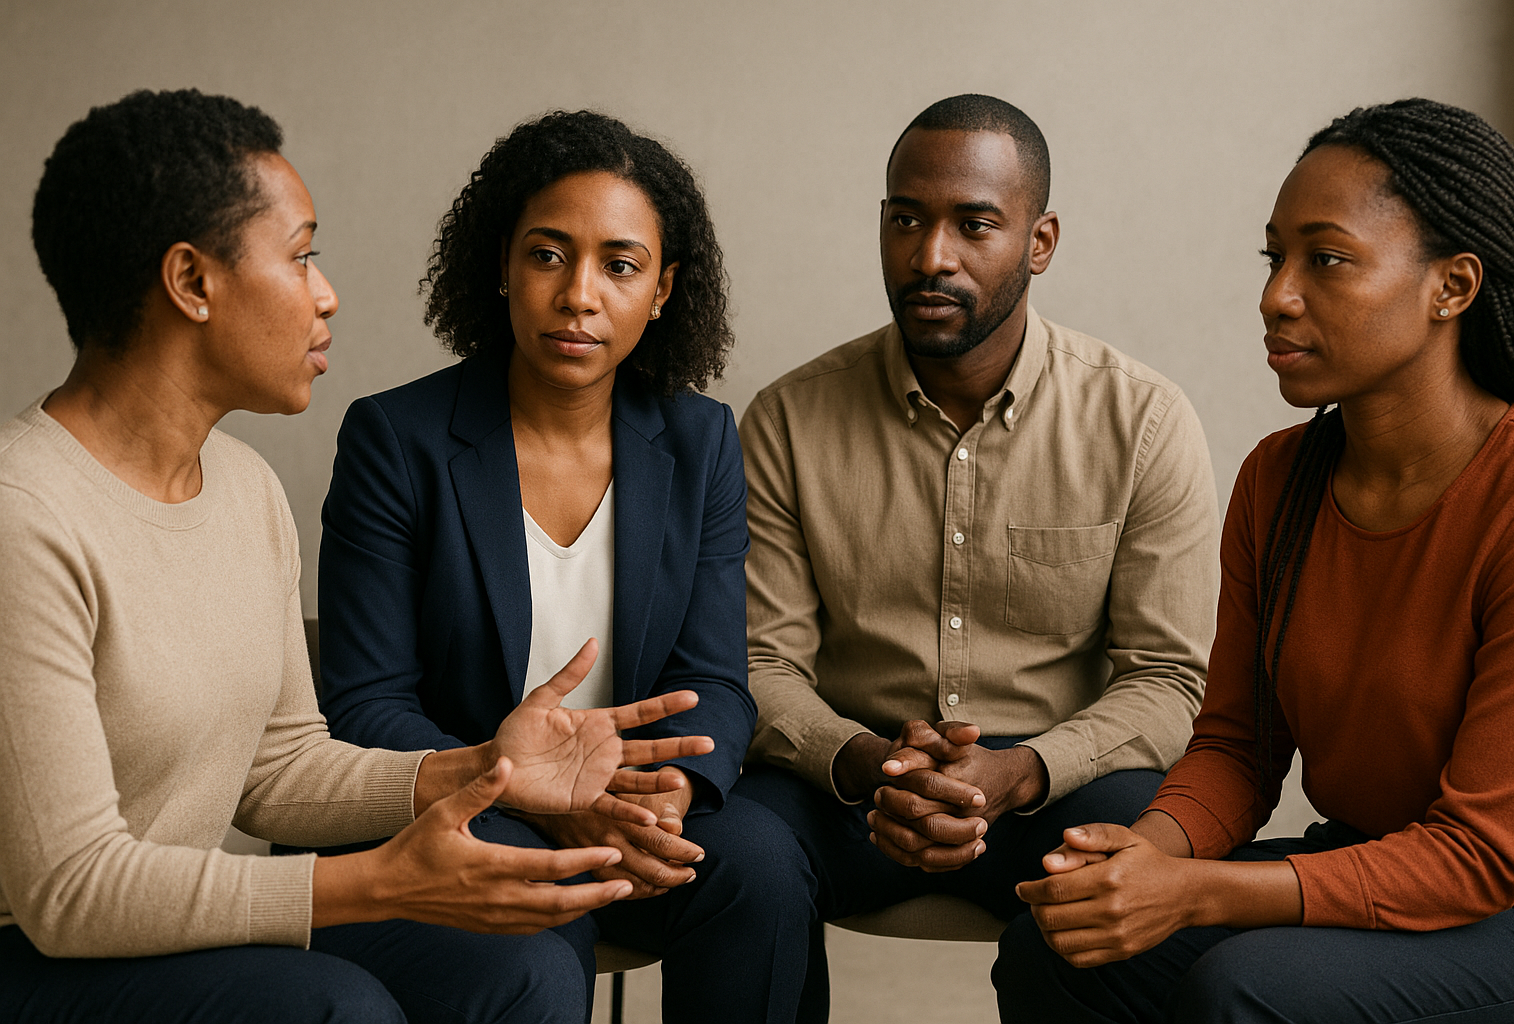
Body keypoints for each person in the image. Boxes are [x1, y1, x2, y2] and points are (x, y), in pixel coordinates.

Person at [0, 88, 716, 1024]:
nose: (327, 292)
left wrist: (481, 767)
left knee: (519, 971)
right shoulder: (24, 517)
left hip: (162, 925)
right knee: (336, 1008)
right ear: (192, 281)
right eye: (300, 257)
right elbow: (70, 893)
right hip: (31, 949)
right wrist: (383, 883)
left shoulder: (245, 486)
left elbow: (279, 769)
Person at [1007, 98, 1514, 1024]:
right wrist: (1147, 857)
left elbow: (1477, 857)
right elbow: (1239, 749)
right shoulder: (1278, 479)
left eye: (1325, 260)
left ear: (1452, 286)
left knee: (1245, 989)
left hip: (1510, 905)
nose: (1277, 295)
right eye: (1274, 257)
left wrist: (1197, 892)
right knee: (1061, 944)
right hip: (1362, 859)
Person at [315, 110, 812, 1023]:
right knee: (538, 938)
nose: (580, 293)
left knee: (765, 869)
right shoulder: (396, 440)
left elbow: (714, 677)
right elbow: (365, 703)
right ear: (503, 263)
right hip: (467, 794)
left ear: (662, 290)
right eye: (548, 255)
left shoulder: (700, 440)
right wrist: (534, 793)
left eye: (620, 266)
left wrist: (674, 790)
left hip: (636, 794)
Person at [733, 93, 1221, 1019]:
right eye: (906, 219)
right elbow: (760, 662)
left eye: (974, 224)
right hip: (851, 783)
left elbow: (1166, 680)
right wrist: (872, 761)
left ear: (1040, 243)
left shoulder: (1142, 422)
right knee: (739, 857)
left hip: (1058, 784)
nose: (931, 256)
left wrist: (1020, 771)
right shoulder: (790, 421)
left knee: (1139, 855)